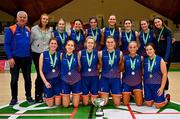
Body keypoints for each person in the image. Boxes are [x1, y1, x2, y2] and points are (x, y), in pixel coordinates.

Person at [4, 11, 33, 105]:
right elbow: (6, 44)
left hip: (27, 58)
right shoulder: (11, 29)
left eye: (24, 17)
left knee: (28, 79)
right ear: (17, 18)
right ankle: (14, 98)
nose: (22, 19)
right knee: (14, 79)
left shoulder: (28, 30)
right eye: (20, 17)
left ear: (26, 19)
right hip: (15, 59)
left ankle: (28, 96)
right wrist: (10, 57)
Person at [31, 13, 53, 103]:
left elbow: (51, 41)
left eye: (47, 19)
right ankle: (37, 94)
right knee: (40, 74)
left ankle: (45, 92)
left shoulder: (50, 29)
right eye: (43, 19)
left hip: (46, 54)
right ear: (40, 19)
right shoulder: (34, 29)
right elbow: (30, 41)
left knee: (46, 73)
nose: (45, 20)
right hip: (36, 54)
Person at [98, 36, 123, 106]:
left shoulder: (120, 53)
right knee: (104, 103)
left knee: (117, 103)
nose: (110, 44)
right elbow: (101, 65)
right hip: (105, 79)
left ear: (114, 43)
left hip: (116, 79)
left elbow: (120, 65)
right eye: (108, 42)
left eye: (112, 42)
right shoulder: (101, 53)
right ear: (105, 43)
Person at [144, 43, 167, 108]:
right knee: (148, 104)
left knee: (158, 105)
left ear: (154, 50)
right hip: (147, 86)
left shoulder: (160, 60)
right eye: (147, 50)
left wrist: (162, 87)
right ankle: (154, 97)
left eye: (150, 49)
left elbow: (165, 74)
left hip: (157, 85)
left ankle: (166, 99)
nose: (149, 51)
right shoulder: (145, 60)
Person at [39, 38, 61, 107]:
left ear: (57, 46)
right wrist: (45, 82)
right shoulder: (43, 55)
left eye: (55, 44)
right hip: (48, 81)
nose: (53, 45)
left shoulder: (59, 55)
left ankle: (56, 95)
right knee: (50, 104)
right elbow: (40, 70)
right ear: (49, 44)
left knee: (57, 104)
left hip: (57, 82)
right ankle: (46, 95)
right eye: (52, 43)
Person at [78, 36, 99, 105]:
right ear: (85, 43)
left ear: (94, 44)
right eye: (88, 43)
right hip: (84, 77)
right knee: (85, 103)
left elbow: (99, 65)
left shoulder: (97, 53)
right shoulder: (80, 53)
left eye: (92, 43)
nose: (90, 44)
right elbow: (79, 66)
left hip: (94, 78)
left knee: (94, 103)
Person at [153, 17, 172, 92]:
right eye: (155, 23)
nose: (157, 23)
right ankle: (161, 87)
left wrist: (166, 59)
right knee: (159, 72)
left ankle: (165, 89)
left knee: (164, 72)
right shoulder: (156, 31)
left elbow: (168, 46)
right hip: (158, 55)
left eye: (158, 22)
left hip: (166, 55)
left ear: (162, 21)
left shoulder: (167, 31)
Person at [61, 40, 81, 107]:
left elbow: (80, 67)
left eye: (72, 45)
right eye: (68, 45)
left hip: (76, 81)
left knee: (75, 105)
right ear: (65, 46)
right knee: (65, 105)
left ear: (74, 48)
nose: (70, 47)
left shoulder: (77, 56)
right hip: (65, 81)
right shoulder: (61, 56)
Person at [122, 41, 143, 106]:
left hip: (137, 83)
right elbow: (121, 70)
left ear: (137, 48)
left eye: (134, 47)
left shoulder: (141, 58)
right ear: (128, 48)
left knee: (139, 104)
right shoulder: (124, 58)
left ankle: (134, 95)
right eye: (130, 47)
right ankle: (129, 94)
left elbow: (142, 71)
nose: (132, 49)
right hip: (126, 83)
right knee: (125, 103)